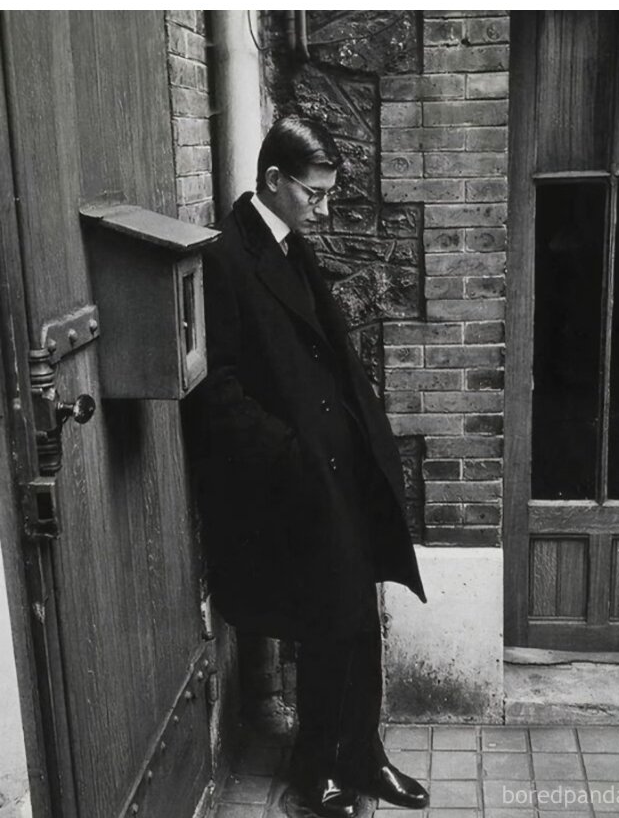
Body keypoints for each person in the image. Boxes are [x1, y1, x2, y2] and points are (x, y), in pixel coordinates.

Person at [186, 117, 428, 818]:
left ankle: (362, 751)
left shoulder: (289, 245)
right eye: (313, 194)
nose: (322, 209)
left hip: (338, 464)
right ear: (272, 181)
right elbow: (217, 391)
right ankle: (313, 765)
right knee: (327, 618)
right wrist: (291, 457)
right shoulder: (228, 257)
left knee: (360, 613)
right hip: (294, 479)